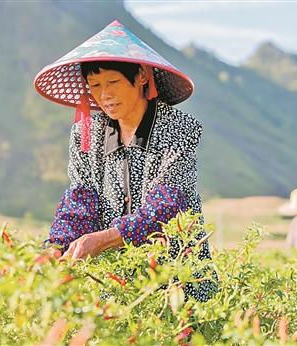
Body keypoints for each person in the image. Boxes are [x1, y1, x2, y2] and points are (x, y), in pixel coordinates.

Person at [34, 20, 217, 301]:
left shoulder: (178, 129)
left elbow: (167, 205)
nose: (104, 95)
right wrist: (56, 246)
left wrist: (105, 238)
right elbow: (82, 199)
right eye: (94, 85)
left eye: (113, 82)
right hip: (118, 283)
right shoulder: (88, 135)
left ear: (142, 76)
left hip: (178, 280)